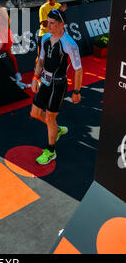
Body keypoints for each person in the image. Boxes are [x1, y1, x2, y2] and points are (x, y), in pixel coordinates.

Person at [30, 9, 83, 165]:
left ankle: (50, 151)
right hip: (45, 81)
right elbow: (40, 60)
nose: (48, 26)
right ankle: (56, 129)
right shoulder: (45, 38)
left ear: (62, 25)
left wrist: (77, 91)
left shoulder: (70, 44)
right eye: (48, 22)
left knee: (50, 117)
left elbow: (78, 70)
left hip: (59, 84)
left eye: (52, 23)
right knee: (35, 113)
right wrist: (35, 77)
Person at [0, 4, 26, 90]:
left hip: (2, 36)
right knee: (7, 54)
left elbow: (4, 23)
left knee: (9, 54)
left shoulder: (1, 15)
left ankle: (17, 73)